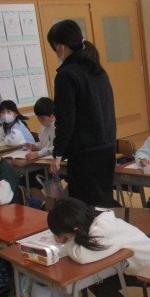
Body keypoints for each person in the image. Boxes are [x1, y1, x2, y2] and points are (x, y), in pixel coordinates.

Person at [47, 19, 118, 207]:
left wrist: (58, 153)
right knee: (102, 202)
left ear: (60, 47)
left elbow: (65, 120)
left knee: (85, 206)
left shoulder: (66, 75)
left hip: (84, 151)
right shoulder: (97, 69)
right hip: (107, 146)